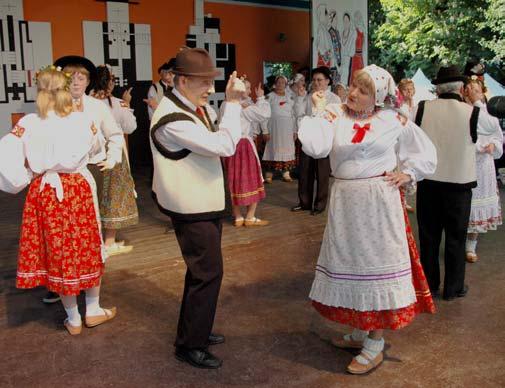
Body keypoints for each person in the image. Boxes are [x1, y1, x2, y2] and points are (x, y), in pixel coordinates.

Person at [298, 64, 437, 374]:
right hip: (346, 202)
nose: (354, 94)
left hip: (377, 202)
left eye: (364, 91)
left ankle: (375, 341)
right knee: (352, 263)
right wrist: (319, 111)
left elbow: (424, 151)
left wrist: (409, 172)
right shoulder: (334, 114)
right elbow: (317, 148)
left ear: (378, 98)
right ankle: (361, 328)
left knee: (377, 265)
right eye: (354, 86)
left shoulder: (393, 120)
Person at [0, 66, 116, 335]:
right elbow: (97, 148)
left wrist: (26, 174)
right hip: (76, 187)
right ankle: (94, 309)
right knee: (86, 245)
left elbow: (6, 156)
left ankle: (74, 318)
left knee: (58, 251)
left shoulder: (27, 123)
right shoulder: (81, 121)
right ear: (66, 91)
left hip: (45, 190)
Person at [149, 48, 243, 369]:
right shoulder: (173, 118)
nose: (210, 89)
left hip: (201, 202)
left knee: (201, 272)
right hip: (191, 207)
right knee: (208, 273)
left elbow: (218, 134)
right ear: (183, 80)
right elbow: (225, 145)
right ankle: (190, 345)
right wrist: (232, 103)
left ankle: (196, 331)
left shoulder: (188, 106)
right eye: (204, 82)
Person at [41, 55, 124, 305]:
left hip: (90, 169)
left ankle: (88, 283)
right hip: (56, 175)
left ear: (88, 81)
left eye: (82, 76)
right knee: (58, 231)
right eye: (70, 75)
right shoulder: (51, 104)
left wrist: (112, 158)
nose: (76, 81)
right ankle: (59, 284)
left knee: (87, 230)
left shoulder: (97, 106)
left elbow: (115, 134)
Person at [414, 65, 499, 300]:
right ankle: (454, 288)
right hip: (459, 186)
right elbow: (495, 130)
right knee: (456, 238)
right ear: (461, 88)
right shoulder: (472, 113)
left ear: (437, 88)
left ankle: (429, 285)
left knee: (429, 237)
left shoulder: (421, 109)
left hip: (428, 183)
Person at [90, 65, 139, 255]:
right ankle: (108, 242)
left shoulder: (85, 102)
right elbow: (130, 127)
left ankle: (95, 241)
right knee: (113, 197)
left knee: (96, 197)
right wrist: (128, 104)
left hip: (92, 156)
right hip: (114, 155)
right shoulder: (117, 103)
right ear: (110, 82)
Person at [222, 77, 271, 227]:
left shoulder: (226, 104)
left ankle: (237, 216)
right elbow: (264, 114)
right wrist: (261, 96)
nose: (250, 92)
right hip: (243, 146)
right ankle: (249, 216)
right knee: (253, 178)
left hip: (230, 144)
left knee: (234, 179)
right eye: (248, 88)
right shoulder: (243, 106)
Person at [463, 78, 503, 262]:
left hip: (483, 165)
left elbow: (496, 134)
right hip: (465, 161)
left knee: (477, 202)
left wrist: (493, 145)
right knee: (462, 203)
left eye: (476, 89)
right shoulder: (462, 110)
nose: (472, 91)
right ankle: (458, 241)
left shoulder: (486, 113)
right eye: (469, 88)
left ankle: (471, 245)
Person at [293, 66, 340, 215]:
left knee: (322, 173)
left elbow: (336, 119)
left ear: (327, 81)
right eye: (314, 80)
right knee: (305, 172)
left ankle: (319, 205)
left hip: (325, 139)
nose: (316, 83)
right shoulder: (307, 96)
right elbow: (299, 114)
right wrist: (300, 98)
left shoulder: (334, 98)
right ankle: (304, 202)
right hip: (309, 138)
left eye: (320, 80)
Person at [262, 75, 297, 183]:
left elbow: (294, 115)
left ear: (286, 84)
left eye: (283, 82)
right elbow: (263, 115)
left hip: (287, 129)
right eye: (278, 82)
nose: (280, 84)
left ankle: (286, 174)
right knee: (272, 149)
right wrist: (265, 131)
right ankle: (269, 175)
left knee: (286, 149)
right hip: (273, 129)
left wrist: (295, 130)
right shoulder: (269, 97)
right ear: (275, 84)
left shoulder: (290, 97)